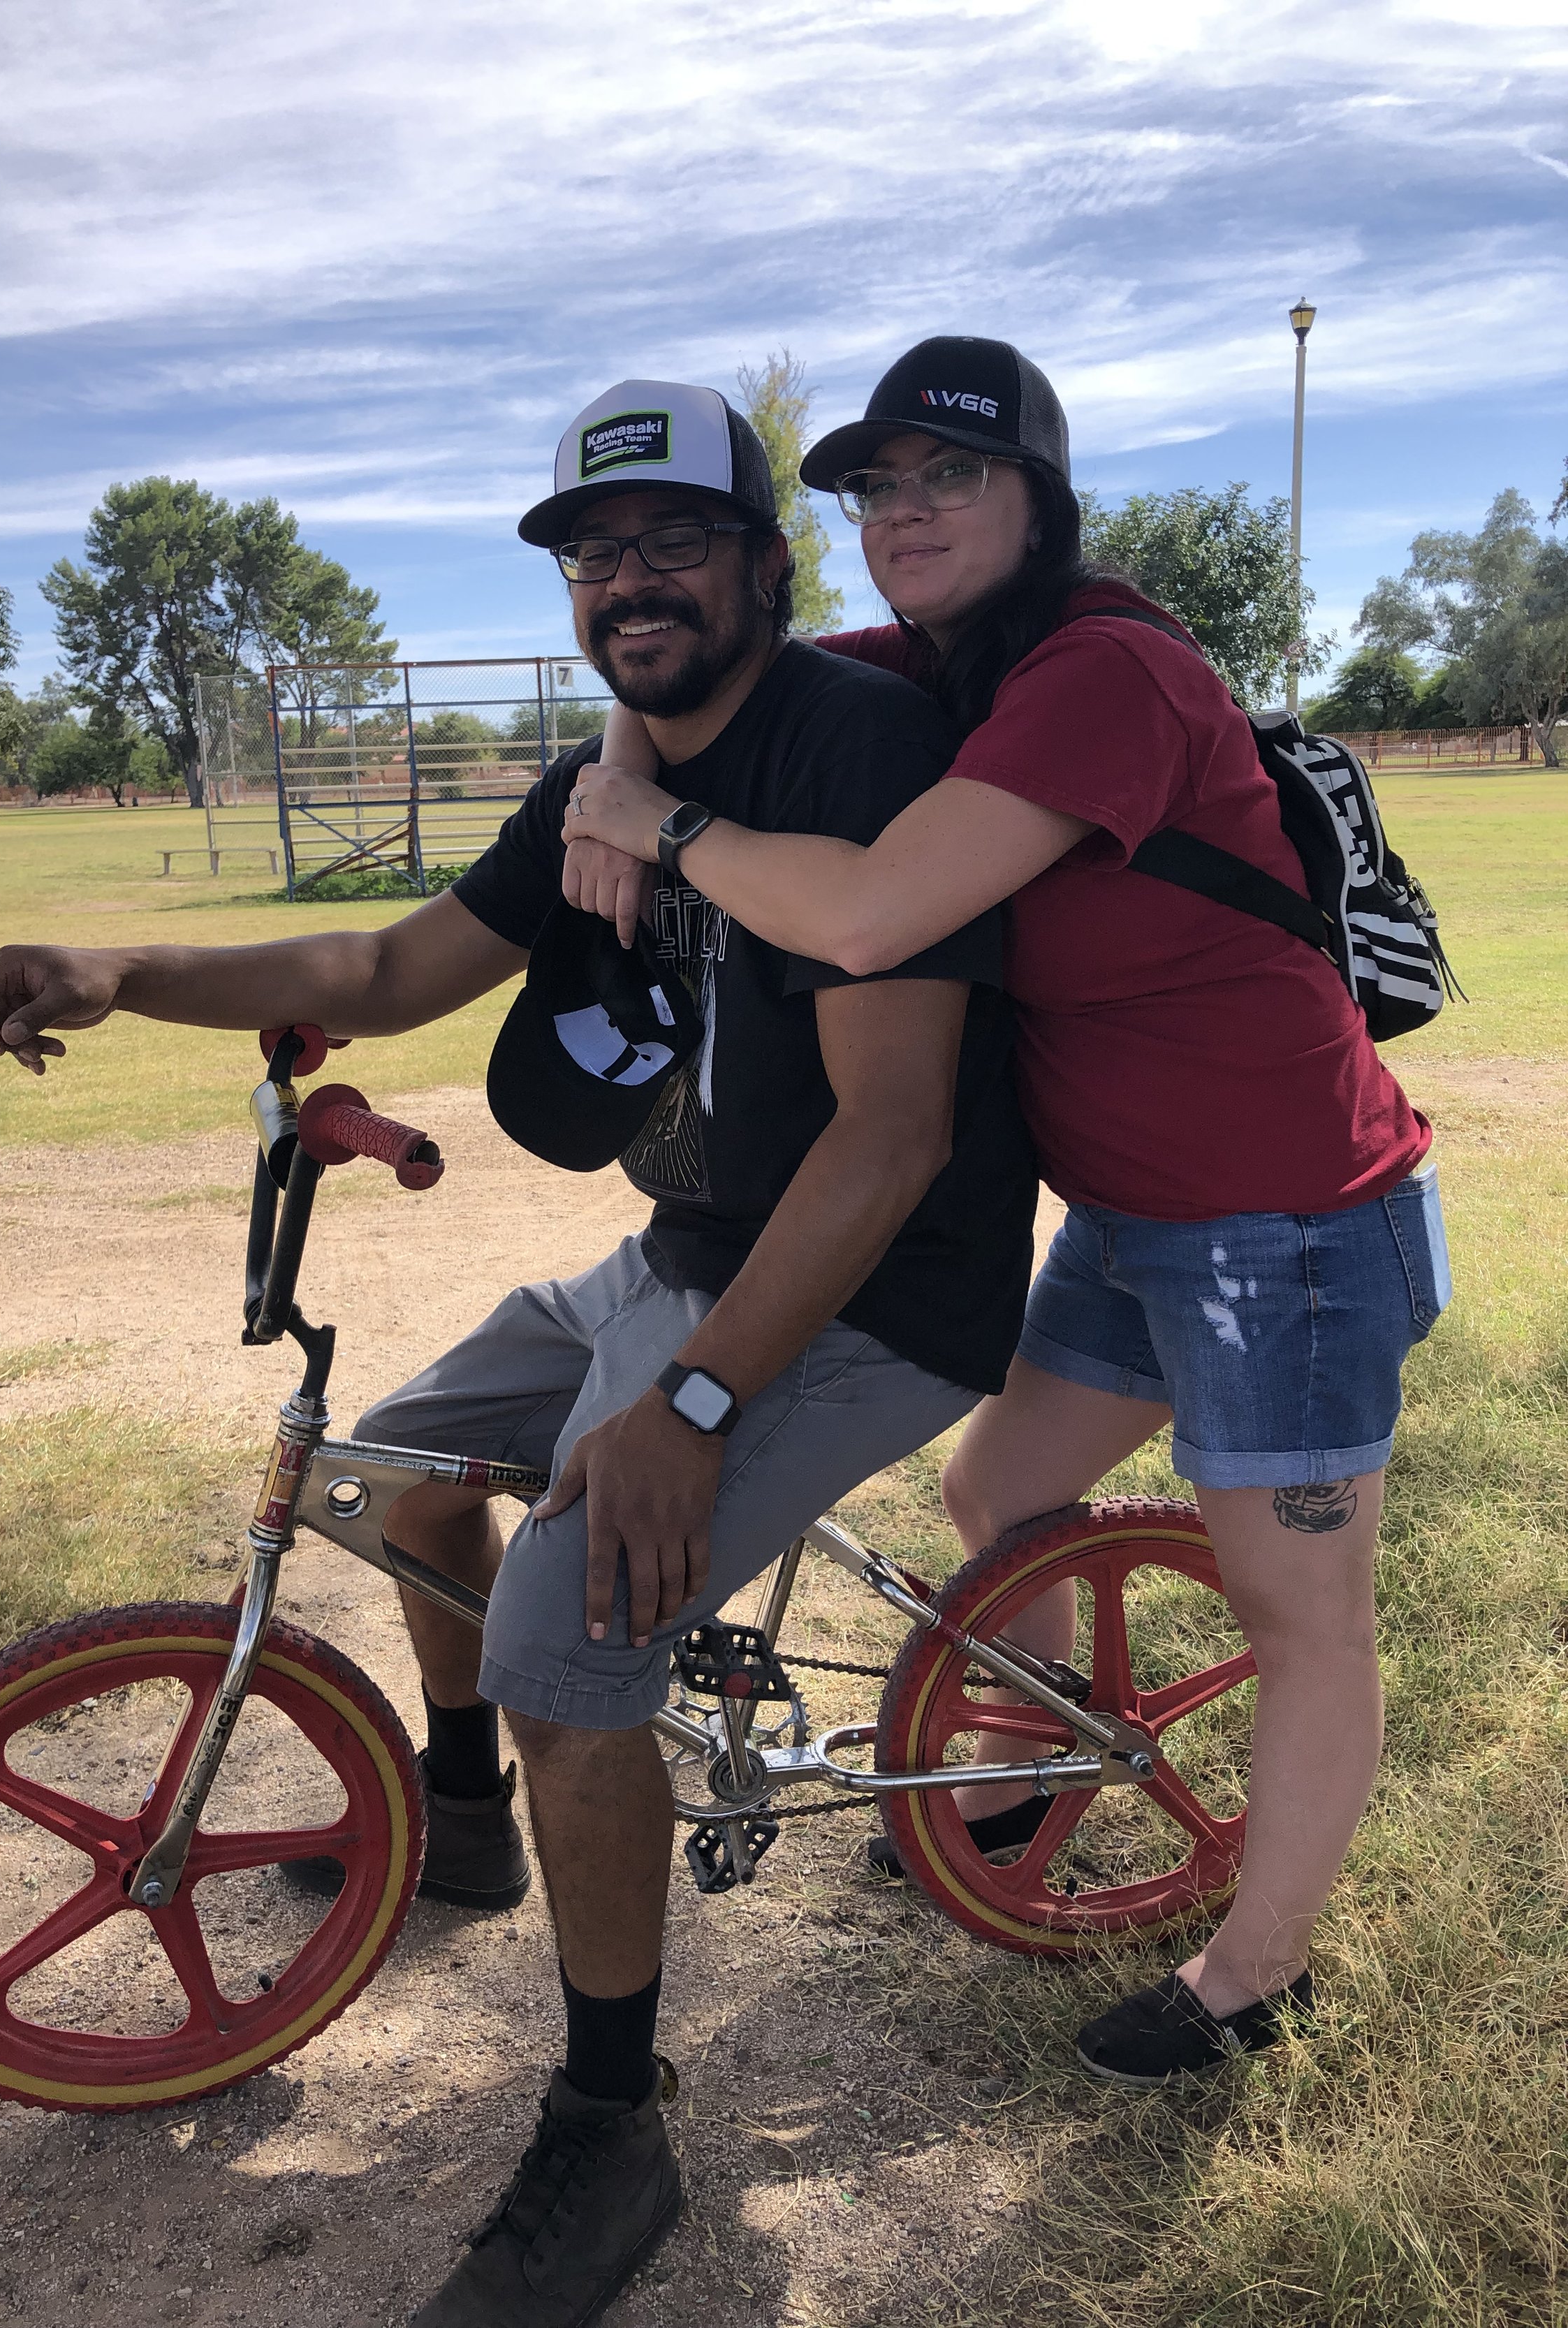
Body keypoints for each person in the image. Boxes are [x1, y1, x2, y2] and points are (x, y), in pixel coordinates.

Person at [0, 376, 1039, 2327]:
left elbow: (892, 1140)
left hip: (871, 1294)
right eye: (594, 551)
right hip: (690, 1248)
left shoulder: (856, 749)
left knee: (574, 1636)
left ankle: (613, 2119)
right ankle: (467, 1816)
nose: (631, 582)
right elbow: (383, 971)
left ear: (759, 566)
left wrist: (691, 1404)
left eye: (676, 544)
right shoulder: (595, 786)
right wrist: (129, 972)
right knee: (393, 1473)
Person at [561, 335, 1451, 2088]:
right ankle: (1033, 1766)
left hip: (1285, 1226)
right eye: (875, 486)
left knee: (1296, 1610)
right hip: (1135, 1213)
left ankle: (1254, 1970)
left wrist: (652, 827)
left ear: (1036, 498)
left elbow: (880, 910)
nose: (903, 512)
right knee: (998, 1485)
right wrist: (616, 747)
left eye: (944, 477)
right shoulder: (945, 664)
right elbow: (694, 672)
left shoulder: (1101, 669)